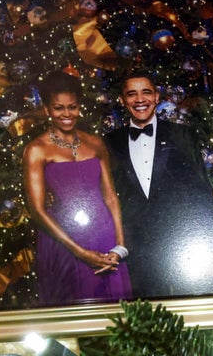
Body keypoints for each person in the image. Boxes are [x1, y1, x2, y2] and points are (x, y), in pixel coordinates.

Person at [104, 72, 213, 299]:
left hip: (180, 243)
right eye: (132, 94)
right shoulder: (109, 142)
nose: (140, 99)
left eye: (146, 92)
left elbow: (201, 192)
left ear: (157, 96)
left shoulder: (182, 135)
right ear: (122, 100)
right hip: (136, 250)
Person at [23, 71, 132, 306]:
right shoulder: (37, 149)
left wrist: (120, 246)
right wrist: (80, 252)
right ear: (47, 109)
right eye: (58, 108)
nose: (66, 115)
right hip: (64, 241)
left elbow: (111, 197)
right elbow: (37, 211)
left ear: (79, 106)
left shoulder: (95, 143)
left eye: (71, 107)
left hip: (104, 236)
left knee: (117, 313)